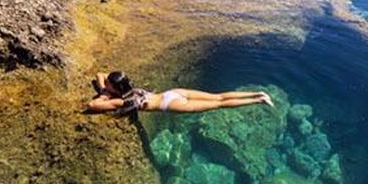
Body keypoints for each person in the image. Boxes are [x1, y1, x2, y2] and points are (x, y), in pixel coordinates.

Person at [84, 70, 272, 115]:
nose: (105, 84)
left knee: (219, 104)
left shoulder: (120, 101)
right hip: (172, 93)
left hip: (171, 104)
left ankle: (259, 100)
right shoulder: (130, 88)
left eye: (108, 84)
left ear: (115, 88)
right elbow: (100, 74)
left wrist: (103, 94)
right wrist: (106, 88)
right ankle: (258, 93)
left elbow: (91, 105)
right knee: (219, 96)